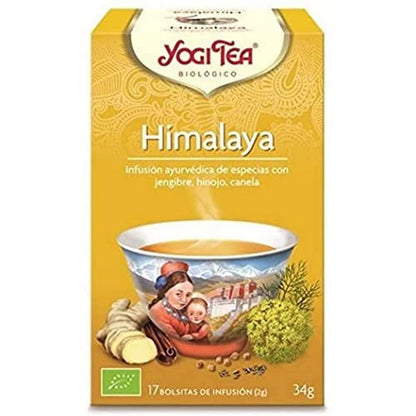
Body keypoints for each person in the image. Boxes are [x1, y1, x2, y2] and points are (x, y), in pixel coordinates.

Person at [148, 261, 193, 338]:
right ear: (166, 292)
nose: (184, 300)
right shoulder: (157, 312)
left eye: (188, 295)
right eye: (178, 294)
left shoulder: (182, 309)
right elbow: (175, 339)